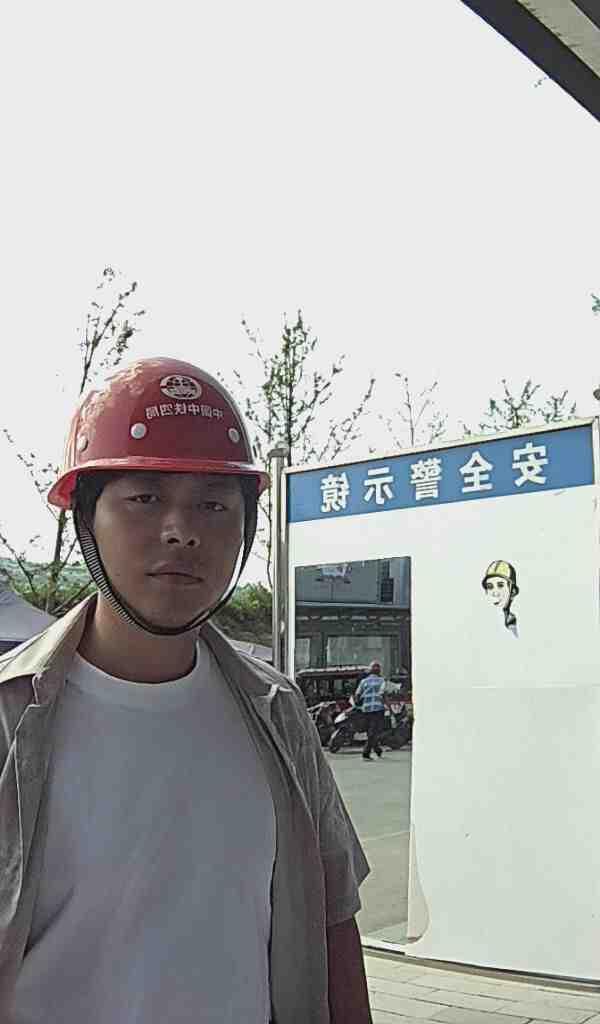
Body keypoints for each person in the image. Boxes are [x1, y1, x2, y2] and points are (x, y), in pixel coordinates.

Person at [0, 357, 372, 1024]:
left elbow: (333, 921)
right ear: (84, 519)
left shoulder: (278, 713)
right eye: (145, 498)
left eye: (213, 504)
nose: (183, 530)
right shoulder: (9, 715)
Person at [354, 660, 387, 761]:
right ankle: (366, 753)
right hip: (378, 709)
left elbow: (357, 694)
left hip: (366, 709)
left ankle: (377, 750)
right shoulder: (382, 681)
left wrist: (358, 704)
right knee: (374, 731)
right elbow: (382, 694)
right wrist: (387, 705)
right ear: (379, 671)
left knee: (370, 731)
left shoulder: (364, 681)